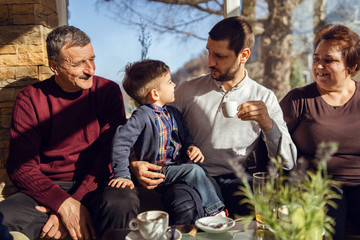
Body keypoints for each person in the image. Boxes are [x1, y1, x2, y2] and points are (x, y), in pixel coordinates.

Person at [130, 16, 296, 220]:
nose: (210, 62)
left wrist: (268, 124)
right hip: (190, 177)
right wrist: (135, 161)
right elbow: (148, 125)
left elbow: (288, 161)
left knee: (262, 207)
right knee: (183, 205)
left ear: (244, 55)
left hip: (236, 179)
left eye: (219, 55)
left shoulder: (264, 97)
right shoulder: (187, 90)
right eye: (209, 52)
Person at [0, 25, 139, 240]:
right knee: (3, 216)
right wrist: (63, 205)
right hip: (47, 189)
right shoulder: (29, 99)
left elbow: (110, 156)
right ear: (54, 66)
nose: (90, 69)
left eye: (92, 59)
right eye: (78, 63)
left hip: (96, 185)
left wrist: (76, 202)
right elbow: (21, 168)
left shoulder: (107, 91)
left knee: (122, 201)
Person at [109, 59, 226, 217]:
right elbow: (121, 142)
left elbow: (185, 137)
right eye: (170, 82)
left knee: (204, 174)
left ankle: (219, 208)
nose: (174, 85)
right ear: (155, 93)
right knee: (194, 171)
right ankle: (216, 213)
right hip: (158, 170)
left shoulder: (173, 113)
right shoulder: (142, 116)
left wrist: (191, 147)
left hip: (177, 166)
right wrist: (122, 174)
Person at [280, 24, 360, 240]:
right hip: (317, 185)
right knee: (331, 221)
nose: (319, 66)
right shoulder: (297, 100)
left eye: (329, 60)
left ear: (351, 65)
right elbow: (272, 147)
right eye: (316, 58)